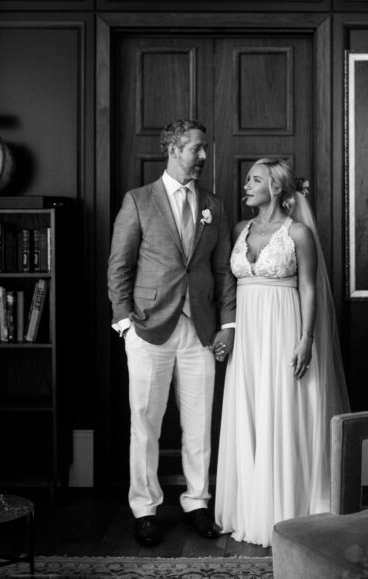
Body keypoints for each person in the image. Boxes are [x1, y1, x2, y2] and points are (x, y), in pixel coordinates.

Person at [107, 119, 237, 546]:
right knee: (145, 423)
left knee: (199, 424)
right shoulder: (138, 200)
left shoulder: (213, 205)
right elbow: (119, 265)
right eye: (196, 148)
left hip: (201, 330)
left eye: (204, 148)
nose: (203, 156)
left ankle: (197, 502)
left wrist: (228, 324)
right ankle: (145, 509)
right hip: (148, 328)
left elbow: (222, 270)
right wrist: (125, 323)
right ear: (174, 149)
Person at [214, 158, 349, 547]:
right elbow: (227, 285)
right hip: (248, 335)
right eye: (247, 179)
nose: (246, 185)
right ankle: (248, 509)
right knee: (249, 410)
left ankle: (285, 512)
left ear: (275, 187)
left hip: (283, 328)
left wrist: (306, 338)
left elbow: (309, 288)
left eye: (255, 179)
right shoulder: (239, 230)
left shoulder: (298, 233)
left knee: (283, 409)